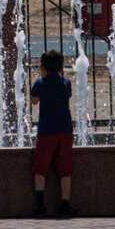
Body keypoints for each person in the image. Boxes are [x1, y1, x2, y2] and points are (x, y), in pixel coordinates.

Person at [30, 49, 77, 218]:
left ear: (42, 67)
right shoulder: (66, 83)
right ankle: (65, 203)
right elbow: (67, 96)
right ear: (61, 68)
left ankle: (40, 204)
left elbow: (34, 100)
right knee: (65, 167)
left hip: (47, 130)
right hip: (65, 129)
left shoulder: (40, 83)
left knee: (41, 167)